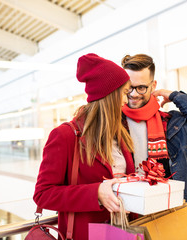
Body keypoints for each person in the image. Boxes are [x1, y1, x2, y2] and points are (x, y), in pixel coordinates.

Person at [33, 53, 134, 240]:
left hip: (123, 232)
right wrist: (95, 192)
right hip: (87, 234)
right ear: (109, 94)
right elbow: (43, 194)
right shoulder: (65, 135)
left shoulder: (120, 134)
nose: (125, 101)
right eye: (124, 93)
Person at [121, 54, 187, 204]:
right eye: (129, 88)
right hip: (129, 206)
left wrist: (175, 96)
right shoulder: (114, 123)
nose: (134, 94)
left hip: (170, 204)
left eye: (141, 87)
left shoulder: (171, 123)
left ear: (153, 85)